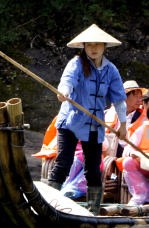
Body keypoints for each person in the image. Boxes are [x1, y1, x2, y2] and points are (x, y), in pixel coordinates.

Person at [47, 24, 128, 215]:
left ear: (104, 47)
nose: (93, 48)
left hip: (94, 123)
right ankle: (48, 206)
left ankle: (93, 211)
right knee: (63, 163)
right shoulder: (76, 64)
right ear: (83, 46)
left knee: (93, 169)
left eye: (97, 45)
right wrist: (64, 92)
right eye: (89, 45)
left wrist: (123, 125)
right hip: (71, 122)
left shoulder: (111, 70)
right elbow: (67, 81)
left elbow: (119, 99)